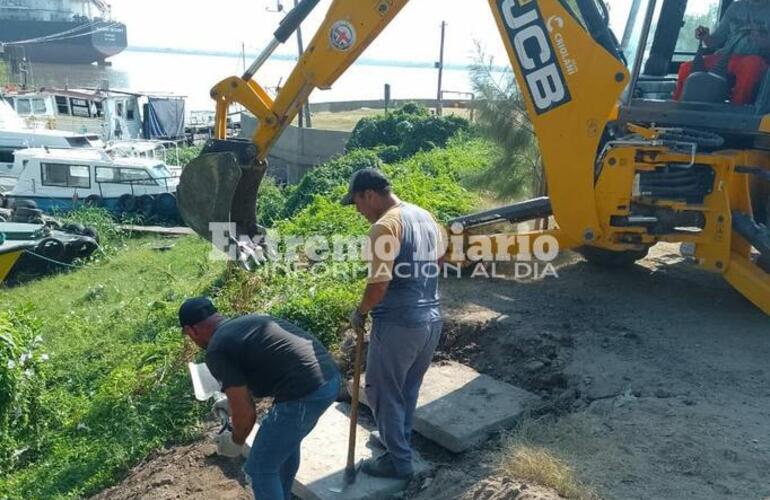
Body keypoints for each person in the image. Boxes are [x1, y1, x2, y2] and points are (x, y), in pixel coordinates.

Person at [179, 297, 340, 500]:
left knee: (260, 469)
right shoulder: (249, 322)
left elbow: (246, 415)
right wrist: (232, 402)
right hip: (329, 379)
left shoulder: (217, 350)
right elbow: (268, 368)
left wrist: (235, 441)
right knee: (281, 451)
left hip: (303, 393)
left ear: (191, 330)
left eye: (189, 336)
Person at [342, 168, 444, 480]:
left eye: (357, 204)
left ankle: (398, 462)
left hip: (399, 324)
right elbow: (440, 260)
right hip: (431, 319)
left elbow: (378, 285)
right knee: (406, 388)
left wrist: (360, 312)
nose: (358, 211)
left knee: (382, 392)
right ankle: (395, 441)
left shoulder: (384, 227)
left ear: (368, 195)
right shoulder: (423, 216)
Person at [673, 0, 770, 105]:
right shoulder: (736, 7)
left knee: (751, 66)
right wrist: (706, 36)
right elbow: (715, 40)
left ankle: (736, 111)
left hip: (757, 58)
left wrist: (764, 41)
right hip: (725, 57)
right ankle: (676, 109)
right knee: (686, 68)